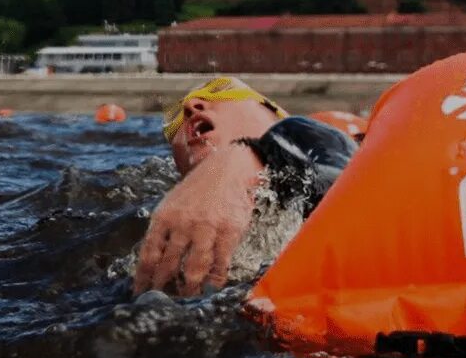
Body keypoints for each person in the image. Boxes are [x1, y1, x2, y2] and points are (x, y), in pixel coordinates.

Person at [134, 76, 356, 297]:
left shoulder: (333, 151)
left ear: (272, 112)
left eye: (219, 90)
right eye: (173, 122)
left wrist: (248, 154)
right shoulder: (158, 228)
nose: (189, 106)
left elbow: (346, 183)